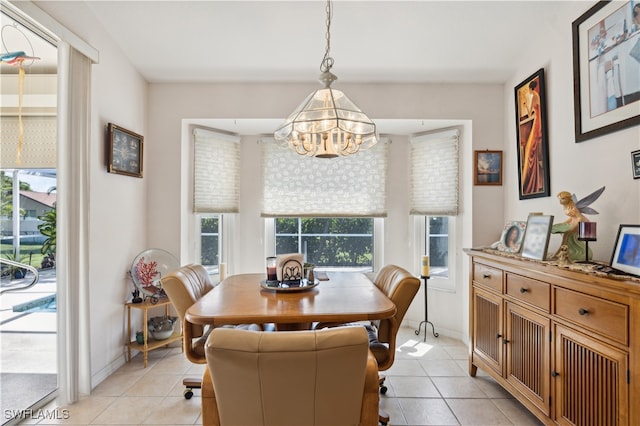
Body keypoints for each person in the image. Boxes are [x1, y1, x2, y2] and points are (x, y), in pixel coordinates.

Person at [520, 80, 544, 195]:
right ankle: (533, 181)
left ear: (531, 88)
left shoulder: (534, 95)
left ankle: (532, 182)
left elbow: (531, 112)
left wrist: (525, 104)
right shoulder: (536, 95)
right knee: (530, 149)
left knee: (531, 149)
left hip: (536, 120)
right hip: (536, 119)